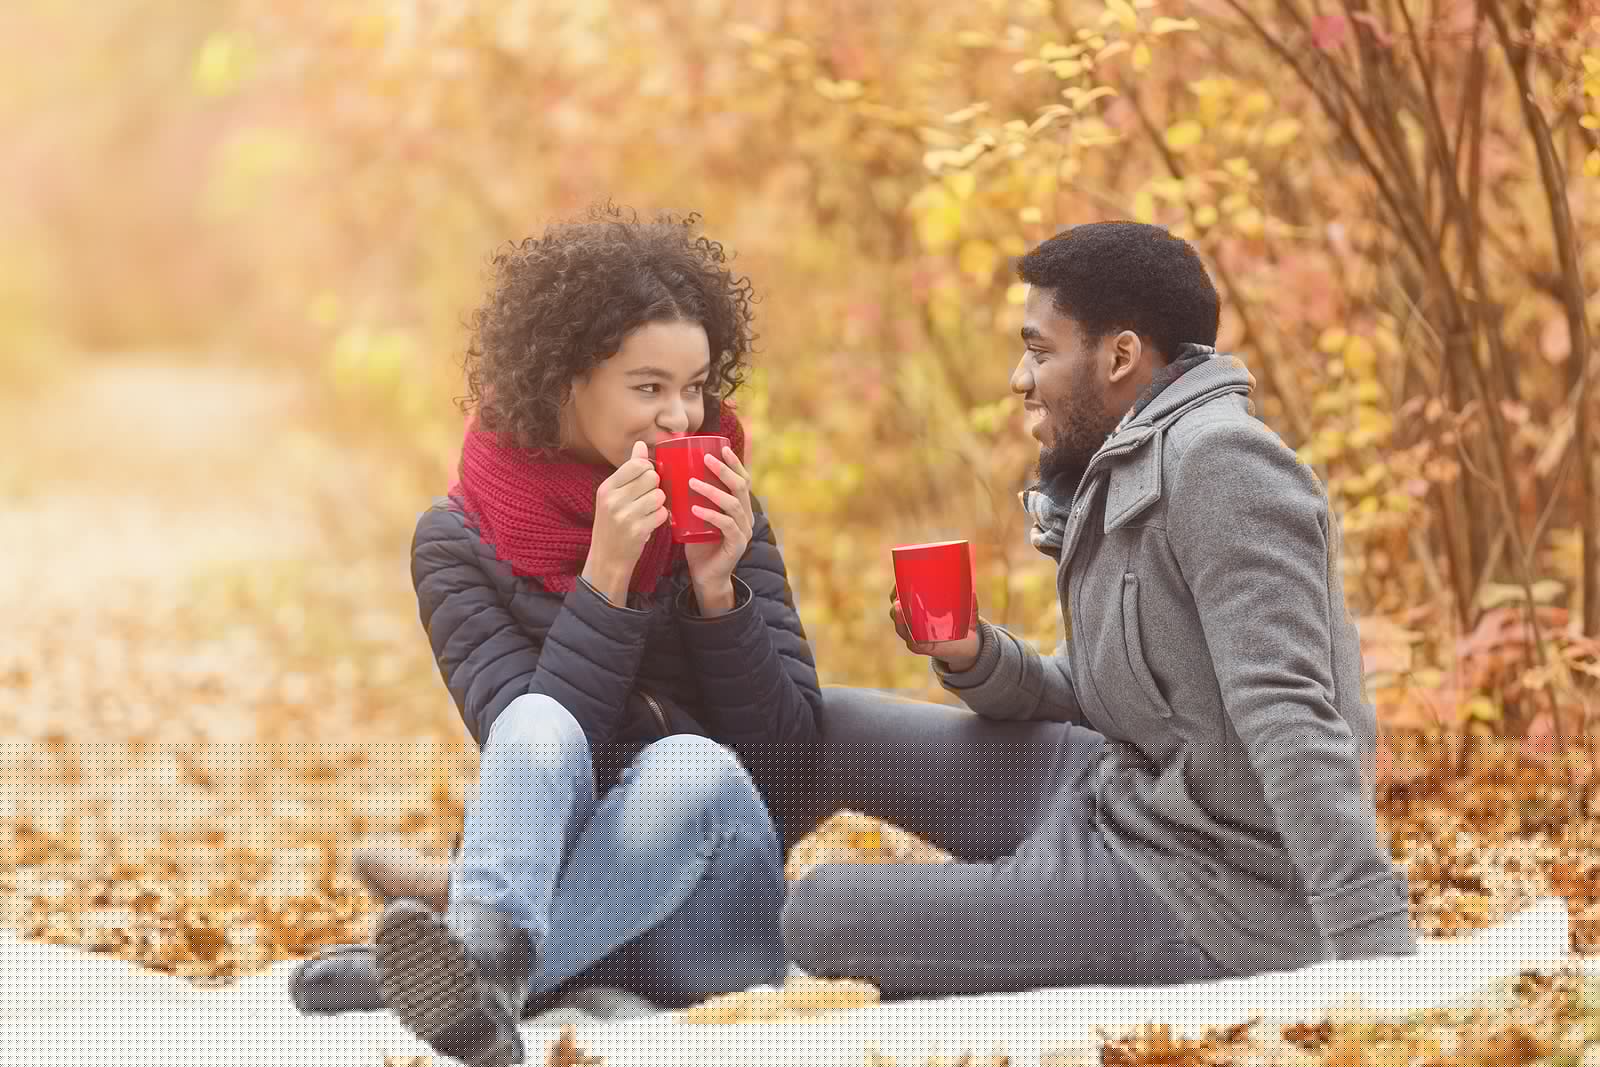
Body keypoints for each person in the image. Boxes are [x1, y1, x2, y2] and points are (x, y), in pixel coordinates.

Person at [776, 221, 1416, 996]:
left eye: (1040, 350)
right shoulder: (1123, 464)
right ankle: (695, 936)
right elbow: (1106, 689)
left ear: (1119, 355)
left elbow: (1291, 710)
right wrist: (973, 655)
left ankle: (729, 951)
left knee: (821, 912)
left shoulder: (1221, 462)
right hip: (1113, 788)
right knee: (829, 725)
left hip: (1203, 889)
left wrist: (1375, 951)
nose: (1019, 377)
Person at [288, 203, 822, 1067]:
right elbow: (528, 754)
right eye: (648, 388)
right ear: (564, 379)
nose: (682, 420)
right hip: (571, 888)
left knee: (692, 765)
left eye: (695, 387)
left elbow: (789, 746)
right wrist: (605, 583)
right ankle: (489, 981)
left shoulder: (727, 510)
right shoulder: (457, 540)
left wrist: (717, 591)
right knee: (534, 721)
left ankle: (451, 975)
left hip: (712, 914)